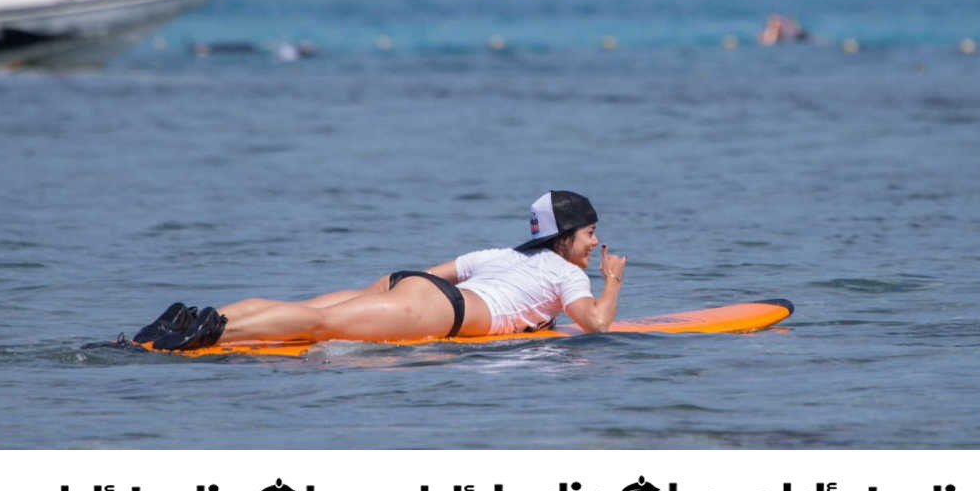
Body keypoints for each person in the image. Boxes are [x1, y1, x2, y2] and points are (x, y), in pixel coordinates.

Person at [131, 190, 627, 351]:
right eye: (589, 235)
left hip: (415, 286)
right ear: (564, 237)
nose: (595, 243)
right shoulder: (569, 276)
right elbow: (597, 325)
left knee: (306, 312)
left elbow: (427, 274)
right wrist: (613, 281)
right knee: (318, 328)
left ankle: (188, 321)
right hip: (437, 310)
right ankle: (204, 334)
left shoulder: (502, 254)